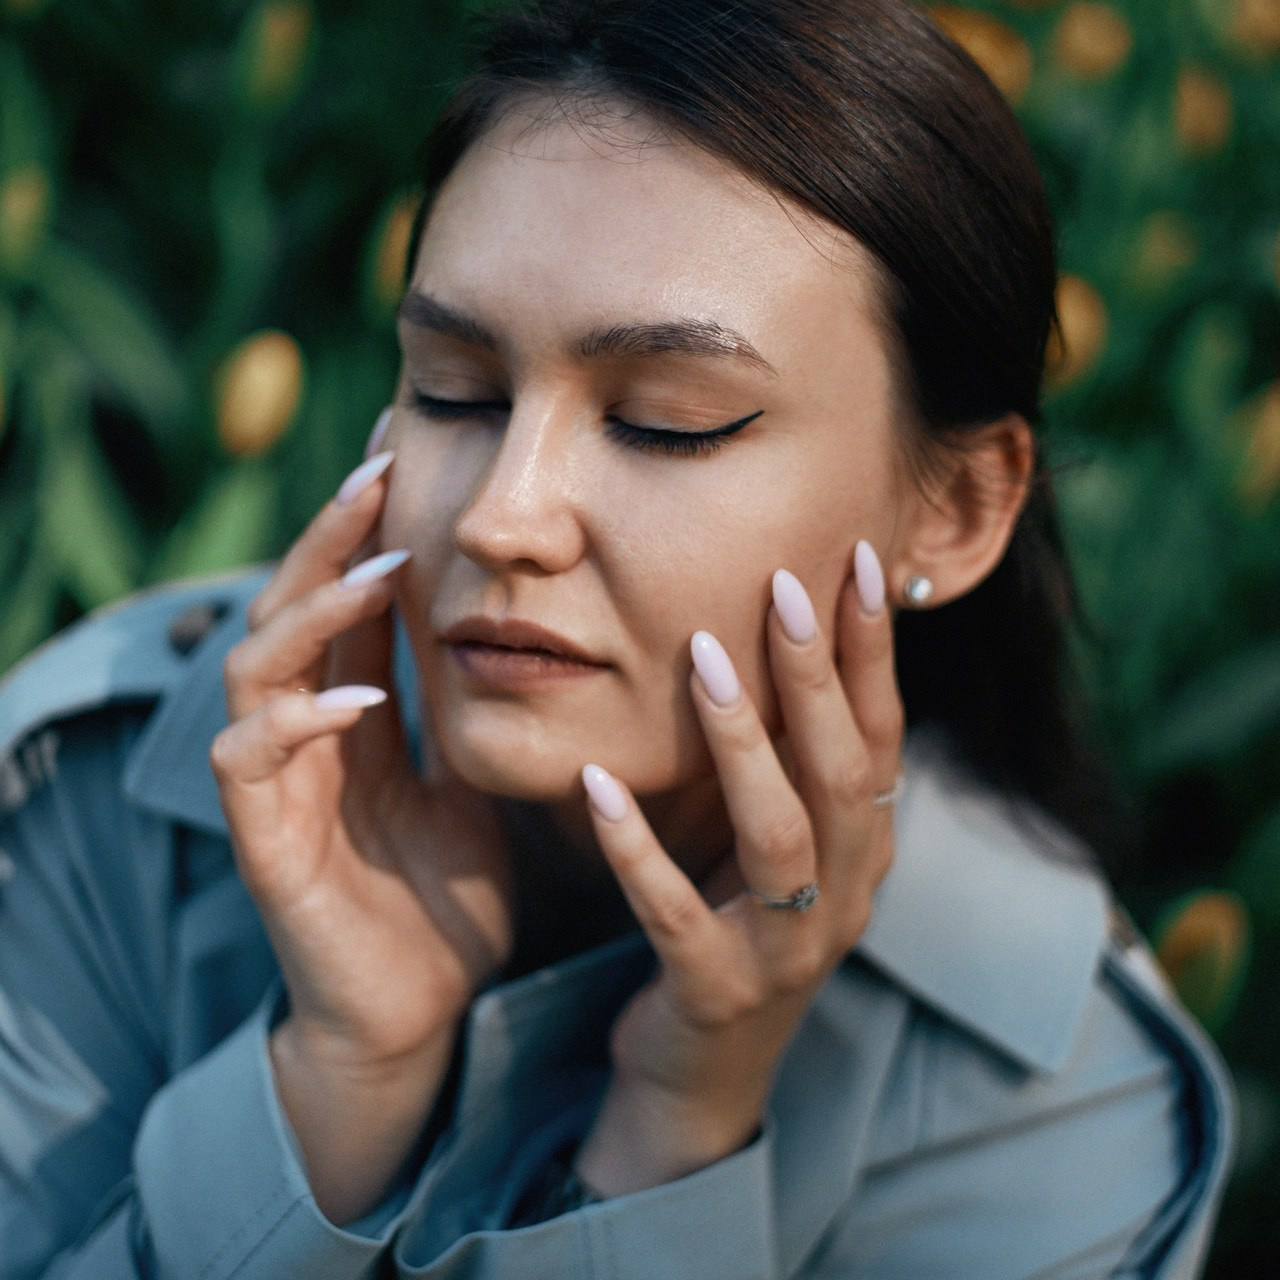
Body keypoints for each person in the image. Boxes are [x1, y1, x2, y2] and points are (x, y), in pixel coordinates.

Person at [0, 0, 1234, 1275]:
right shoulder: (104, 799)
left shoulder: (1052, 1106)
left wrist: (676, 1135)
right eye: (452, 391)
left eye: (669, 420)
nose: (501, 513)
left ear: (958, 508)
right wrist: (336, 1078)